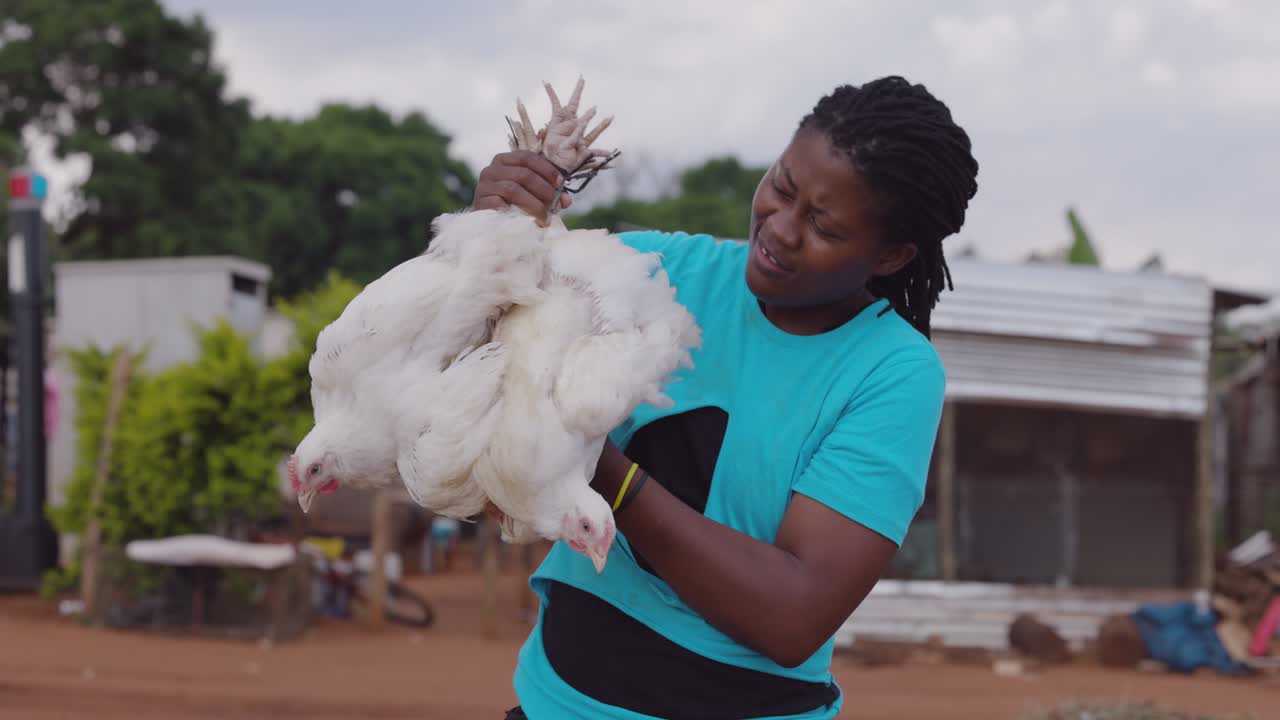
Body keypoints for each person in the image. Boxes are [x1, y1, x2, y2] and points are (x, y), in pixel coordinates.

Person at [472, 75, 979, 719]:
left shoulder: (891, 373)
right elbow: (482, 366)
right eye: (782, 186)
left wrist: (600, 468)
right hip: (555, 704)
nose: (781, 229)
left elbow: (792, 616)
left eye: (822, 224)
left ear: (891, 255)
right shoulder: (657, 271)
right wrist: (490, 238)